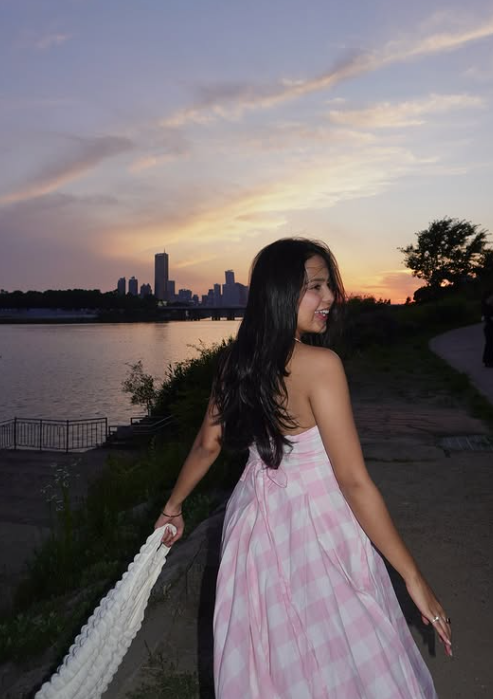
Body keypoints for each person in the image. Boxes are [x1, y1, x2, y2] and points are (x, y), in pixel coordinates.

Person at [155, 238, 452, 698]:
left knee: (275, 649)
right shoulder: (321, 366)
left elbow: (206, 445)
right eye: (315, 286)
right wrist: (413, 577)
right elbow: (353, 481)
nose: (330, 296)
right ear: (280, 293)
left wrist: (172, 507)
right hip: (319, 524)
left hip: (253, 524)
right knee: (344, 642)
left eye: (329, 285)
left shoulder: (234, 363)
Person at [481, 288, 493, 368]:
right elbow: (487, 317)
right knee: (490, 344)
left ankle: (488, 360)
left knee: (490, 344)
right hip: (489, 327)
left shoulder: (489, 306)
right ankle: (488, 361)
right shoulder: (486, 307)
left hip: (489, 326)